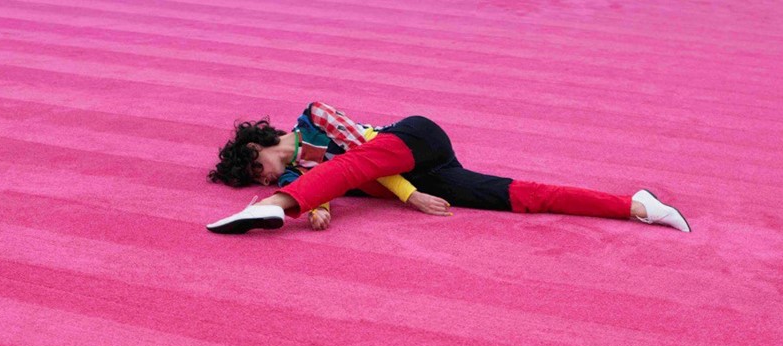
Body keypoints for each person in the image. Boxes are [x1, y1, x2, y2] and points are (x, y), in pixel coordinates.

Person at [206, 102, 690, 235]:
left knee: (355, 163)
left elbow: (361, 154)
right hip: (425, 176)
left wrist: (407, 195)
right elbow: (334, 187)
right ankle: (634, 206)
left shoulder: (314, 117)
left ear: (256, 144)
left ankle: (274, 209)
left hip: (414, 141)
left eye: (255, 167)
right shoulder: (298, 176)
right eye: (256, 182)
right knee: (518, 196)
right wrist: (321, 208)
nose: (261, 175)